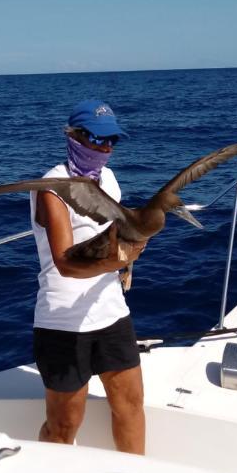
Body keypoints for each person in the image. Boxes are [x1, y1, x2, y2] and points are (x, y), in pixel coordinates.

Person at [29, 98, 146, 454]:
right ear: (75, 137)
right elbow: (65, 263)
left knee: (130, 407)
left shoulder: (108, 179)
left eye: (112, 141)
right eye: (97, 139)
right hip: (63, 321)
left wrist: (130, 246)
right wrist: (117, 260)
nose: (106, 148)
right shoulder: (52, 187)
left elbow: (113, 237)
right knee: (64, 425)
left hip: (110, 310)